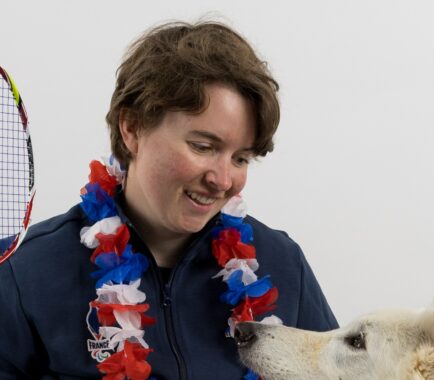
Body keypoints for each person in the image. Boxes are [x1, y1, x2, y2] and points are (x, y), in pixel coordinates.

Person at [0, 21, 337, 379]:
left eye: (241, 158)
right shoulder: (26, 274)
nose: (223, 180)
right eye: (203, 146)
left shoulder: (283, 265)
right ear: (132, 128)